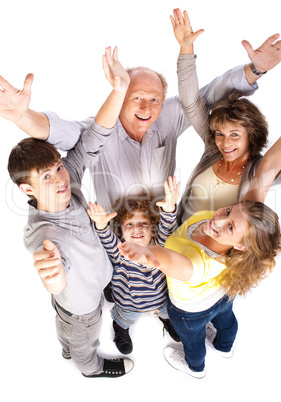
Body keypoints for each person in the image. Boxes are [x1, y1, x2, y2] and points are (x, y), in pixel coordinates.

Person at [1, 10, 277, 213]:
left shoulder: (167, 115)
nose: (147, 107)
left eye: (155, 99)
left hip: (168, 233)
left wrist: (255, 70)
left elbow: (207, 95)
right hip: (115, 240)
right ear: (120, 98)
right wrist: (21, 116)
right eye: (137, 98)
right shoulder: (98, 130)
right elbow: (57, 131)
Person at [7, 47, 134, 378]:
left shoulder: (70, 181)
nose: (61, 179)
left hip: (94, 284)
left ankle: (66, 342)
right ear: (28, 189)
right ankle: (89, 368)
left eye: (59, 167)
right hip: (83, 309)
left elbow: (94, 137)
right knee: (82, 342)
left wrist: (119, 89)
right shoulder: (44, 234)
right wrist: (54, 278)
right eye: (46, 177)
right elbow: (52, 268)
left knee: (66, 329)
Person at [118, 128, 281, 378]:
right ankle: (224, 347)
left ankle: (196, 367)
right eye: (228, 212)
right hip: (223, 294)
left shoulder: (198, 264)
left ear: (240, 246)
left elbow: (167, 259)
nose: (218, 220)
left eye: (229, 227)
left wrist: (144, 252)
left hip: (190, 313)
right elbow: (270, 163)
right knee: (226, 321)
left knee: (192, 341)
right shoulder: (247, 221)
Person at [171, 8, 281, 224]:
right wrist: (186, 48)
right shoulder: (213, 149)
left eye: (234, 134)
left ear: (252, 134)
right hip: (176, 245)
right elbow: (191, 101)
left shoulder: (259, 171)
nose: (224, 142)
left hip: (212, 257)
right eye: (220, 133)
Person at [87, 176, 181, 354]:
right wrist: (101, 225)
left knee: (168, 312)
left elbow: (167, 228)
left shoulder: (158, 244)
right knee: (124, 319)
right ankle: (120, 328)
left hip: (161, 301)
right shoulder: (121, 249)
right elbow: (106, 238)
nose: (137, 228)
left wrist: (169, 209)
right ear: (121, 230)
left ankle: (167, 321)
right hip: (129, 304)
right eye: (129, 224)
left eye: (143, 223)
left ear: (152, 227)